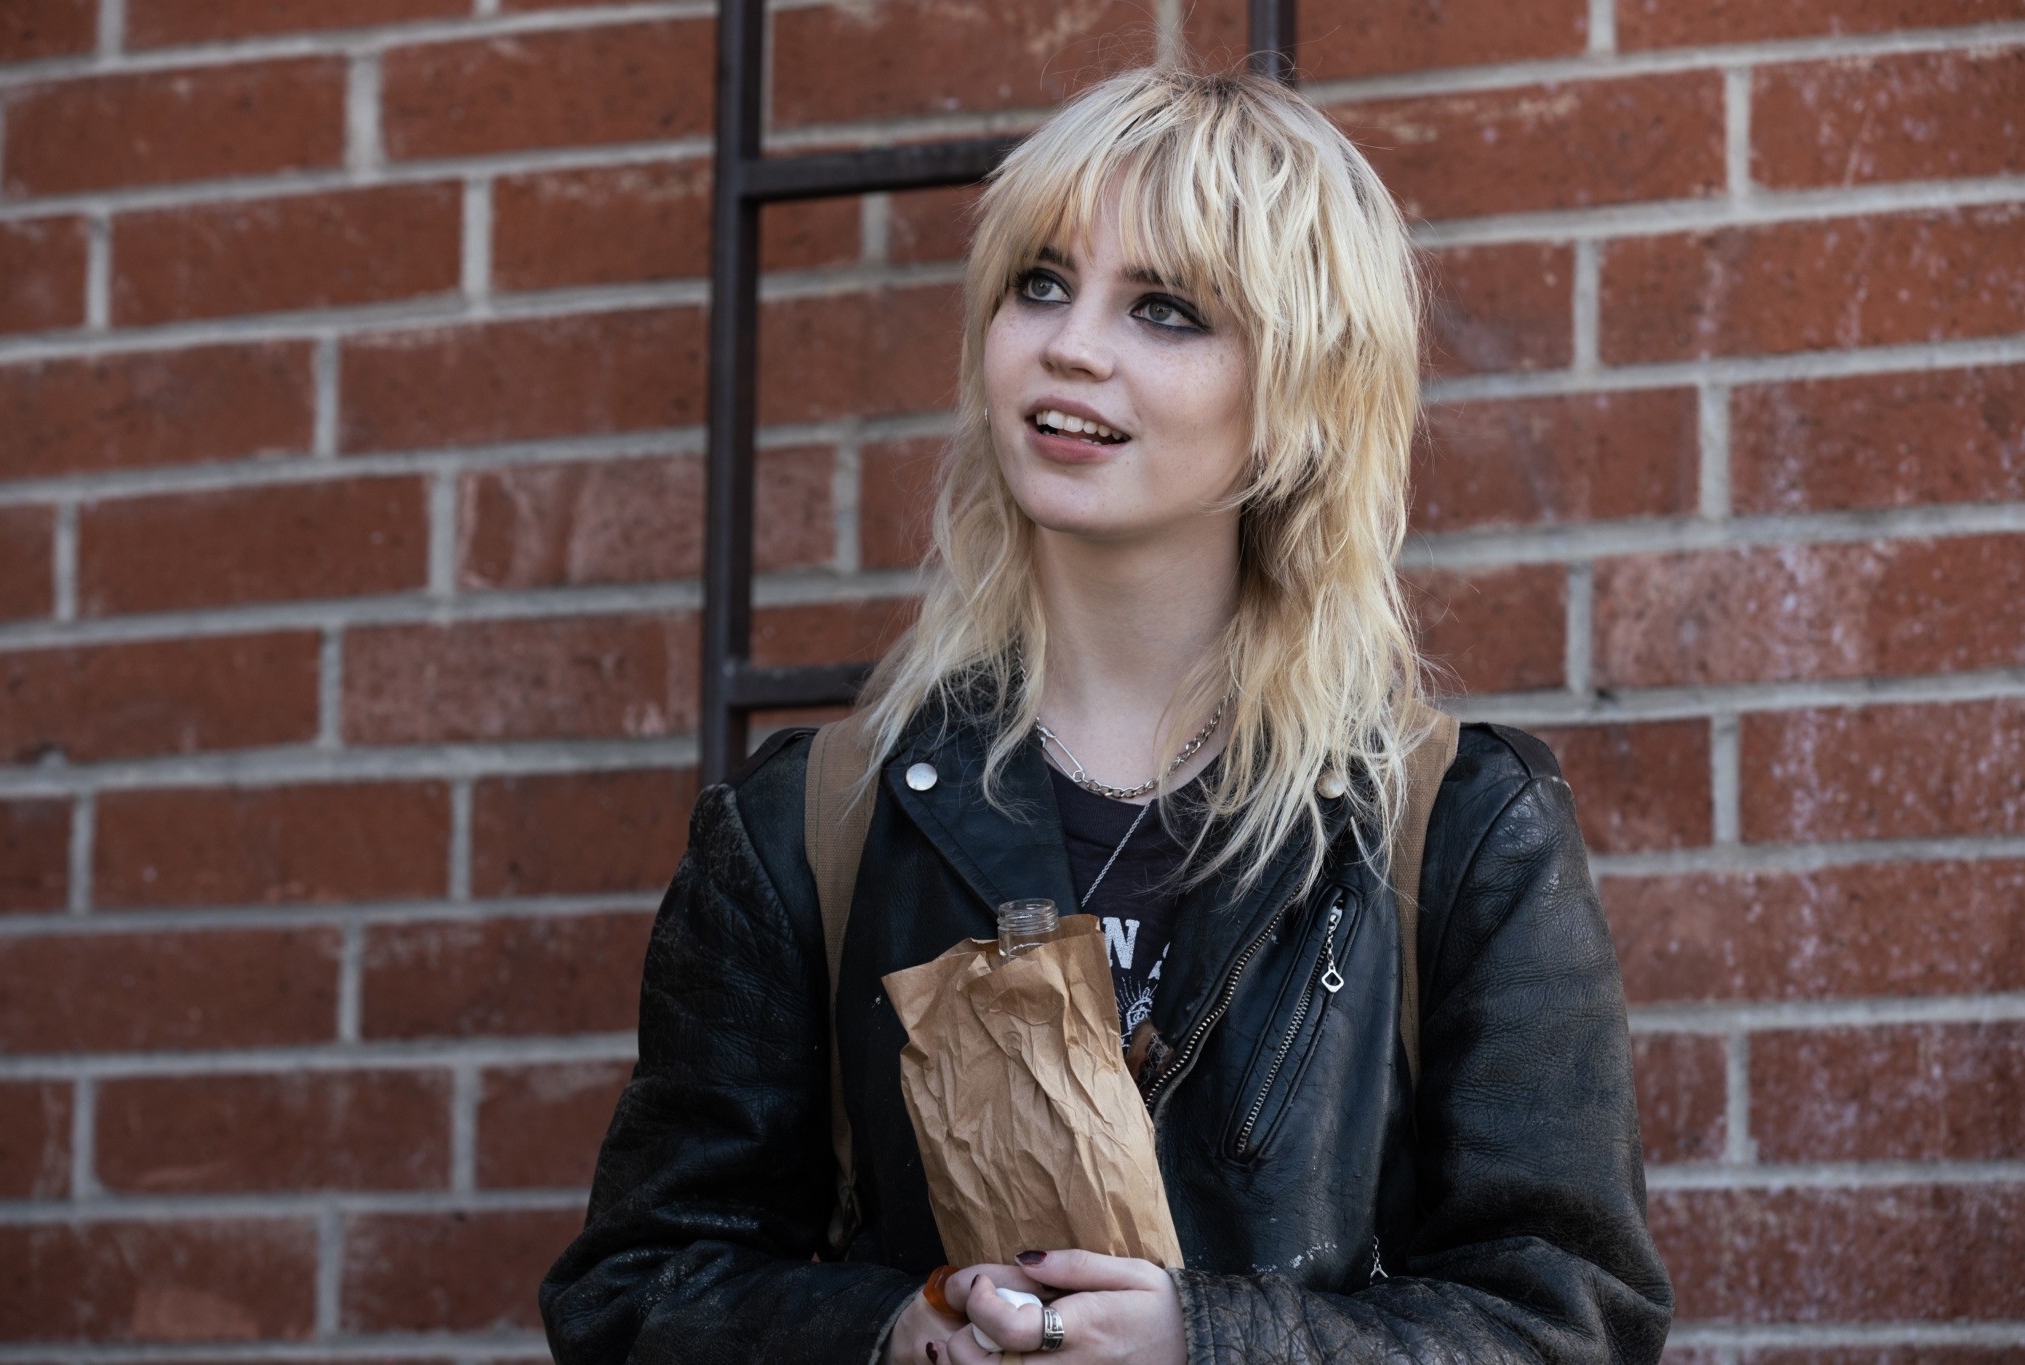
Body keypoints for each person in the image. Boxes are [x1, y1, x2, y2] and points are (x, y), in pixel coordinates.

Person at [540, 64, 1671, 1364]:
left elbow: (1573, 1320)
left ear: (1302, 400)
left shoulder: (1460, 835)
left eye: (1167, 309)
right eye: (1040, 282)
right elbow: (635, 1293)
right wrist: (889, 1334)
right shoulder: (811, 829)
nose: (1073, 341)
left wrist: (1215, 1344)